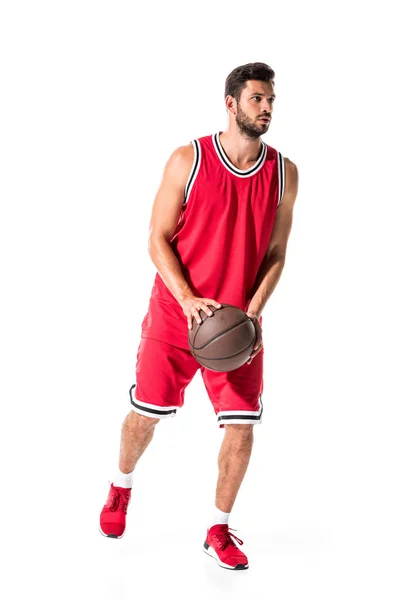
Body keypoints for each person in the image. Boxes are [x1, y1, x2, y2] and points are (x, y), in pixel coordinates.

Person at [99, 62, 299, 570]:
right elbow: (156, 239)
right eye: (257, 99)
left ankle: (218, 527)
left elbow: (277, 253)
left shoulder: (283, 172)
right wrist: (188, 299)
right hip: (176, 311)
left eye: (271, 99)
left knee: (242, 427)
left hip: (237, 321)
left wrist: (254, 311)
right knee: (147, 412)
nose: (267, 108)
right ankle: (120, 487)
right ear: (230, 103)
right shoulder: (188, 159)